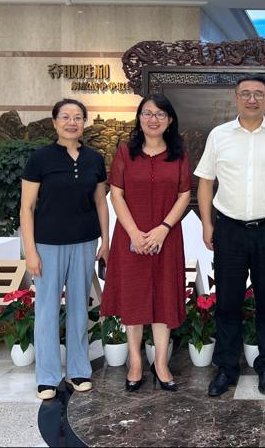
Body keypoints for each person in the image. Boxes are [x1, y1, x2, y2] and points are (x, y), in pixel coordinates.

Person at [195, 74, 265, 397]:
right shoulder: (219, 135)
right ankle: (226, 368)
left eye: (258, 94)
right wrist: (207, 224)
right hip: (228, 229)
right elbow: (205, 182)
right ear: (236, 97)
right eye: (245, 93)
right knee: (227, 302)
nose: (252, 99)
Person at [100, 95, 192, 391]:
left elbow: (184, 195)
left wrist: (163, 229)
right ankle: (136, 362)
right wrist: (134, 233)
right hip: (131, 238)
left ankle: (161, 363)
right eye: (147, 113)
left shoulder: (178, 155)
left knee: (164, 297)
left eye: (160, 114)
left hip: (167, 237)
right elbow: (116, 193)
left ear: (170, 120)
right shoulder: (125, 152)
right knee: (134, 297)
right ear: (139, 118)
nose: (154, 120)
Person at [20, 99, 109, 401]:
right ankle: (46, 376)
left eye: (78, 117)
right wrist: (30, 251)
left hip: (85, 242)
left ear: (85, 122)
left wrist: (106, 241)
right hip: (47, 245)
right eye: (66, 117)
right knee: (46, 310)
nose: (72, 122)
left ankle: (78, 370)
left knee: (79, 308)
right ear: (54, 122)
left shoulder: (94, 159)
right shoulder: (40, 159)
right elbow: (26, 208)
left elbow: (100, 202)